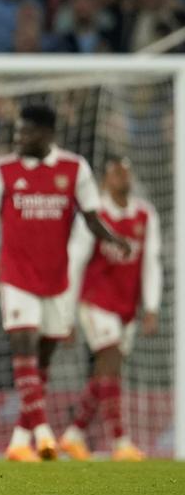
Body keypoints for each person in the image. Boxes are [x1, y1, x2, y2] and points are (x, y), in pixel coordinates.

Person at [0, 104, 131, 462]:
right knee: (22, 349)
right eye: (17, 132)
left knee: (42, 363)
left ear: (48, 134)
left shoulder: (74, 168)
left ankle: (20, 441)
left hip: (56, 280)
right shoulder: (1, 170)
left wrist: (114, 238)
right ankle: (43, 433)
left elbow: (91, 217)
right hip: (16, 277)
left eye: (26, 133)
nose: (18, 138)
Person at [61, 156, 161, 462]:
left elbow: (151, 263)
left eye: (126, 171)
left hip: (126, 307)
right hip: (95, 303)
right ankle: (121, 443)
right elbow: (75, 263)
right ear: (105, 180)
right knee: (111, 362)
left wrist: (152, 306)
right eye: (116, 172)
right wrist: (67, 316)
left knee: (105, 372)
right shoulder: (95, 216)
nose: (122, 177)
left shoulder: (145, 215)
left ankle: (74, 434)